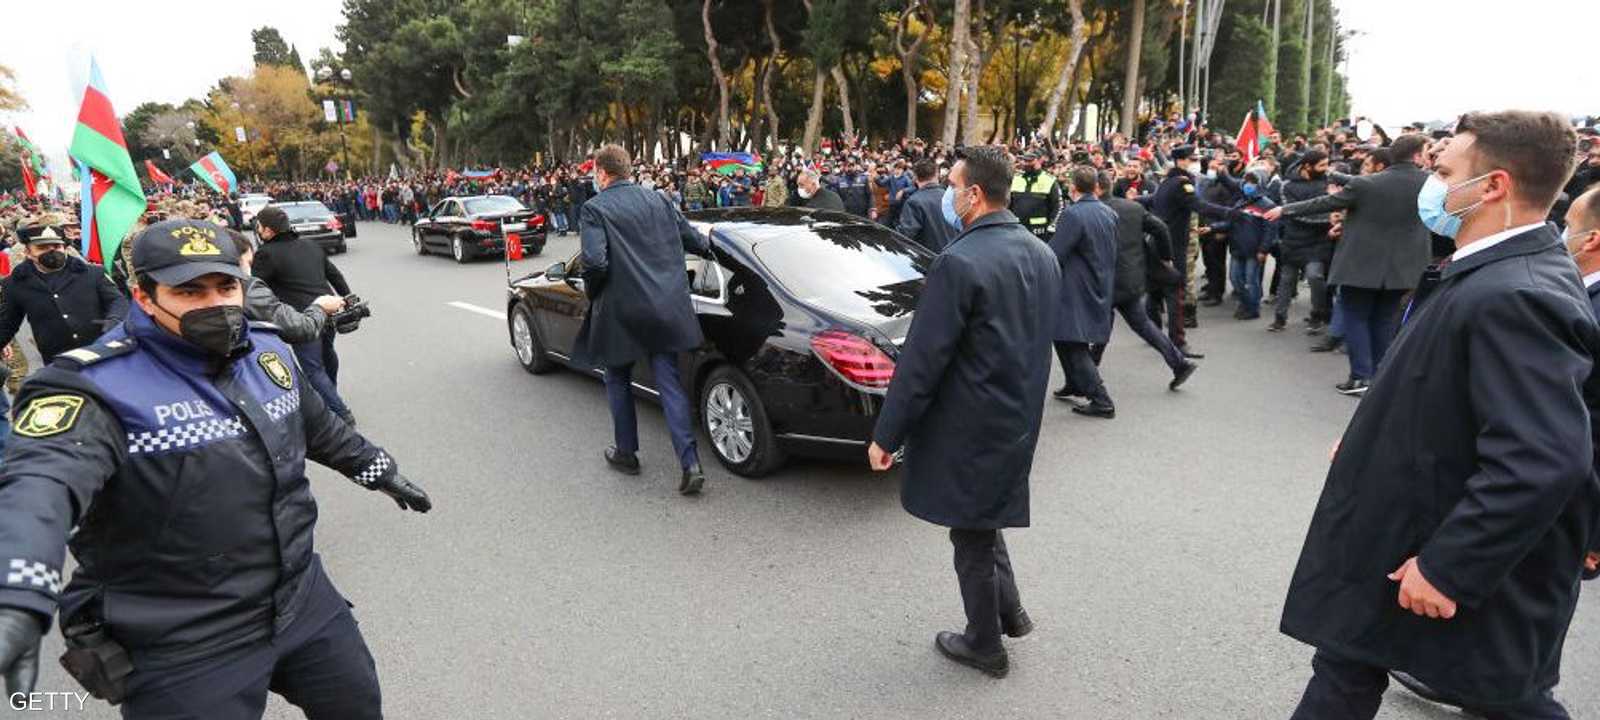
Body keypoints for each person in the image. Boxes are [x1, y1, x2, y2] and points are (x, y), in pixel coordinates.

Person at [0, 218, 431, 718]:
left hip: (300, 600)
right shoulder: (90, 388)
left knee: (358, 704)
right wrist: (20, 588)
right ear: (144, 296)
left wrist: (379, 469)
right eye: (189, 290)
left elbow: (319, 429)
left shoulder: (268, 351)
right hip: (182, 636)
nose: (215, 304)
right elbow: (40, 486)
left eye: (225, 286)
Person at [1280, 110, 1599, 720]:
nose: (1431, 181)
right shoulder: (1488, 273)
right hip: (1407, 526)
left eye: (1445, 170)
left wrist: (1450, 568)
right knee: (1347, 667)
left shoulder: (1517, 293)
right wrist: (1368, 441)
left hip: (1435, 544)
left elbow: (1542, 457)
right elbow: (1441, 390)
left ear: (1495, 187)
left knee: (1505, 699)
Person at [867, 145, 1060, 679]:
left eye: (953, 185)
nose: (947, 195)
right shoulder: (1040, 252)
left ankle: (984, 644)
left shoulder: (960, 261)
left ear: (973, 194)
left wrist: (887, 434)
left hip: (970, 418)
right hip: (1016, 411)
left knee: (969, 532)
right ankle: (1009, 612)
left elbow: (923, 362)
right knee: (983, 515)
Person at [572, 144, 711, 496]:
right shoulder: (660, 200)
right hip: (666, 308)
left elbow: (595, 262)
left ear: (602, 173)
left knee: (617, 379)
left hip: (621, 312)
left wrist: (595, 292)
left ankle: (626, 453)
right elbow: (694, 241)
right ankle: (690, 464)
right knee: (670, 384)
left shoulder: (594, 208)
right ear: (628, 170)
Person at [1267, 134, 1432, 396]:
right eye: (1427, 150)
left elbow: (1323, 203)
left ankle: (1360, 376)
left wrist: (1285, 210)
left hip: (1360, 265)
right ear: (1416, 155)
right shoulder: (1432, 185)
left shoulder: (1366, 184)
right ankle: (1379, 376)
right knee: (1384, 321)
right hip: (1404, 268)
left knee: (1356, 318)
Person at [250, 206, 356, 426]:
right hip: (328, 309)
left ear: (268, 230)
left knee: (313, 367)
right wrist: (348, 298)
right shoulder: (310, 244)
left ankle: (340, 412)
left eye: (259, 226)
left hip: (301, 318)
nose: (258, 231)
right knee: (328, 355)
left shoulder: (265, 254)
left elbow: (257, 288)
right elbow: (334, 275)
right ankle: (330, 396)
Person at [1101, 175, 1198, 390]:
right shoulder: (1132, 207)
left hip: (1105, 280)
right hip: (1132, 278)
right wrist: (1165, 257)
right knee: (1143, 325)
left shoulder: (1093, 211)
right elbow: (1160, 228)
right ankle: (1179, 364)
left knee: (1101, 326)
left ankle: (1085, 377)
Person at [0, 220, 128, 364]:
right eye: (42, 247)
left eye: (57, 246)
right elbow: (7, 323)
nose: (51, 250)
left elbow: (117, 300)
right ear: (28, 253)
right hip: (60, 360)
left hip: (101, 349)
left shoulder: (92, 273)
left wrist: (114, 320)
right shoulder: (15, 284)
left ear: (65, 248)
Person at [1048, 167, 1120, 419]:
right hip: (1098, 281)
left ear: (1073, 186)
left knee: (1074, 342)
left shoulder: (1073, 215)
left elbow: (1055, 253)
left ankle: (1101, 400)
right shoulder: (1108, 212)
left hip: (1075, 286)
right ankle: (1075, 383)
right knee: (1062, 335)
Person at [231, 230, 344, 345]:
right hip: (307, 319)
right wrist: (322, 306)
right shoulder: (246, 288)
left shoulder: (266, 254)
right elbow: (299, 328)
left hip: (308, 317)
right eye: (249, 263)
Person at [1273, 151, 1335, 333]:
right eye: (1322, 165)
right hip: (1293, 241)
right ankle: (1280, 317)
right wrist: (1327, 219)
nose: (1326, 169)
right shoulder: (1287, 186)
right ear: (1307, 166)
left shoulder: (1328, 183)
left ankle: (1317, 315)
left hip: (1318, 243)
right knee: (1286, 281)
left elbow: (1335, 206)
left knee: (1315, 278)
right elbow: (1294, 213)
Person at [893, 160, 955, 252]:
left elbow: (904, 236)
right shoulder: (951, 197)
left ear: (915, 177)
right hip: (951, 256)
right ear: (937, 174)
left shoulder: (914, 202)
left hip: (928, 260)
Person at [1008, 151, 1062, 240]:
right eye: (1024, 160)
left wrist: (1052, 226)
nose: (1026, 163)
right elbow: (1007, 204)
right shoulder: (1015, 179)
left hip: (1040, 232)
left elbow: (1058, 206)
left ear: (1040, 161)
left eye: (1030, 161)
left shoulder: (1049, 180)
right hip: (1017, 229)